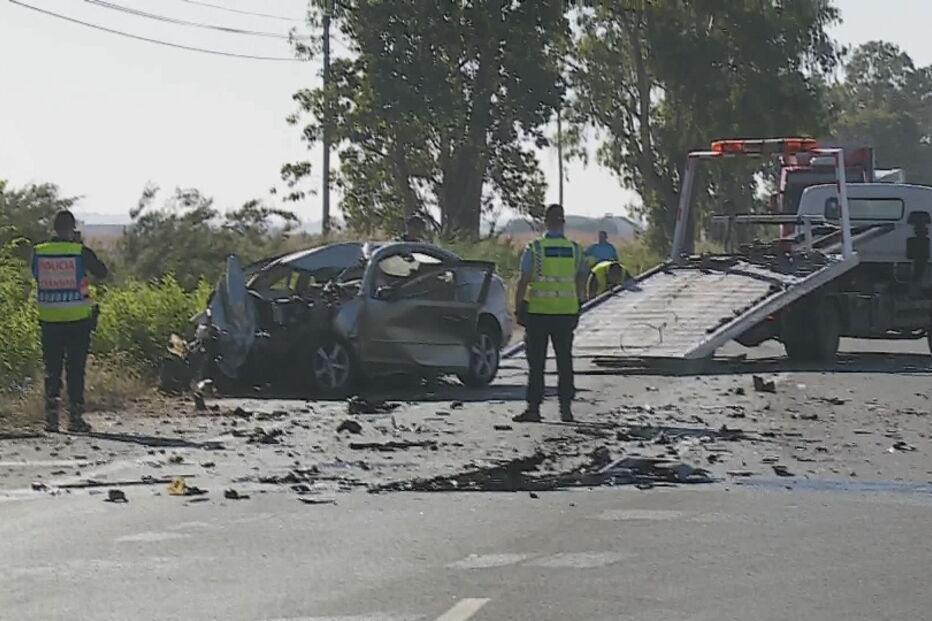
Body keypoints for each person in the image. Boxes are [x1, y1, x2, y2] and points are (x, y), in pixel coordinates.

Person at [32, 209, 108, 433]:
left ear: (53, 228)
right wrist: (80, 247)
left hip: (49, 319)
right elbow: (101, 272)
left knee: (52, 368)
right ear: (72, 228)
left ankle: (52, 418)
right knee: (75, 369)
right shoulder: (79, 252)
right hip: (78, 319)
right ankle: (75, 418)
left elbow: (36, 275)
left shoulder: (39, 252)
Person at [513, 204, 588, 423]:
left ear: (545, 222)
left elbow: (523, 281)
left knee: (536, 363)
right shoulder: (574, 249)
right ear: (563, 223)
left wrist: (519, 308)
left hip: (539, 313)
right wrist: (579, 301)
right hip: (566, 313)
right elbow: (582, 277)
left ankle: (534, 409)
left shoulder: (535, 249)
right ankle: (566, 409)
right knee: (565, 361)